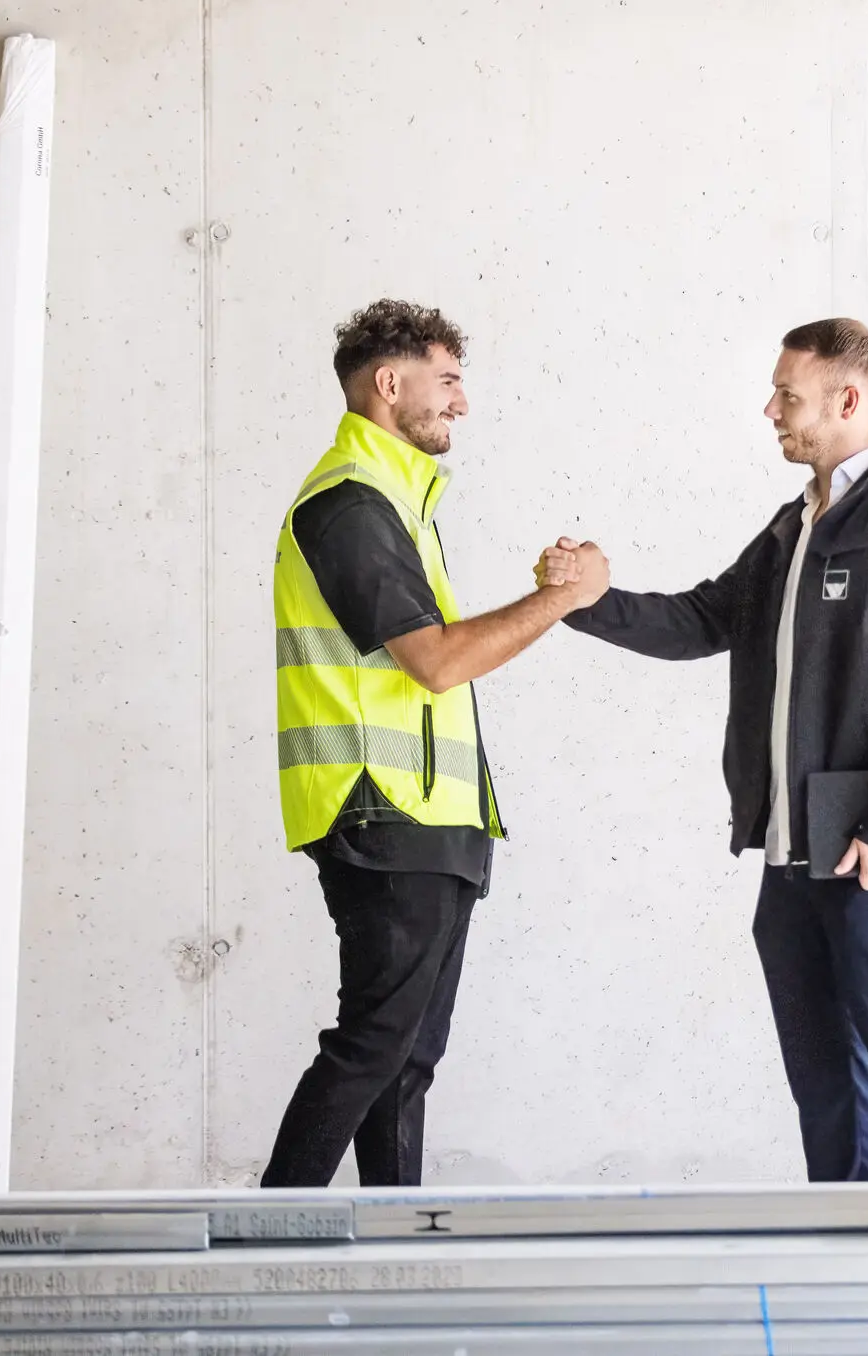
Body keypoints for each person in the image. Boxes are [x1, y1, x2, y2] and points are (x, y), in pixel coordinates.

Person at [553, 317, 868, 1181]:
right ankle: (842, 1236)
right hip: (792, 843)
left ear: (849, 398)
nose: (770, 409)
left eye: (787, 395)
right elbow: (702, 620)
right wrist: (588, 600)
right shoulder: (792, 524)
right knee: (822, 1073)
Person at [261, 298, 607, 1188]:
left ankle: (386, 1253)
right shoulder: (349, 505)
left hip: (433, 816)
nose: (462, 403)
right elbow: (440, 664)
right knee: (373, 1044)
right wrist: (562, 599)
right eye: (447, 380)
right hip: (381, 810)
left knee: (407, 1056)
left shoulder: (401, 504)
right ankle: (260, 1245)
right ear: (389, 383)